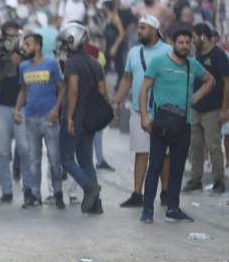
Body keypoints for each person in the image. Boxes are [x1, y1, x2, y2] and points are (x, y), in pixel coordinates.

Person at [138, 27, 214, 223]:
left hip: (183, 125)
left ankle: (173, 207)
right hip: (160, 124)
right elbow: (144, 89)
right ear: (173, 43)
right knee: (154, 167)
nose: (185, 46)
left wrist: (195, 97)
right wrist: (144, 117)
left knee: (177, 168)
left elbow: (210, 81)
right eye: (181, 42)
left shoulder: (192, 65)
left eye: (188, 43)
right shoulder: (158, 62)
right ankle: (147, 210)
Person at [110, 14, 172, 207]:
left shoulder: (169, 51)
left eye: (143, 27)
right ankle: (137, 194)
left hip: (163, 111)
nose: (139, 31)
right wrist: (116, 101)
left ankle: (166, 192)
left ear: (155, 30)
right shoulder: (133, 52)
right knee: (141, 152)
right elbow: (127, 79)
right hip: (139, 111)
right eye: (138, 27)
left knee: (164, 154)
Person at [56, 22, 106, 215]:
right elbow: (102, 92)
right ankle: (96, 205)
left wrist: (68, 117)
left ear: (72, 40)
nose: (63, 47)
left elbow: (73, 90)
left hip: (75, 117)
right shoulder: (95, 62)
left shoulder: (72, 63)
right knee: (86, 162)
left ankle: (89, 187)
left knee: (66, 159)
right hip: (90, 119)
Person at [14, 34, 65, 209]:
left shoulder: (51, 64)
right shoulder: (23, 67)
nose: (24, 48)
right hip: (30, 118)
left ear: (37, 46)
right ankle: (35, 195)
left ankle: (58, 193)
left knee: (54, 160)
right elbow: (23, 90)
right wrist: (16, 109)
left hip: (49, 118)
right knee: (33, 160)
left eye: (27, 45)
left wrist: (56, 110)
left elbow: (61, 89)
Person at [0, 22, 34, 204]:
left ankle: (28, 189)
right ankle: (6, 190)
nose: (12, 39)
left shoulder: (27, 54)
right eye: (9, 35)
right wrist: (8, 60)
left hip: (21, 107)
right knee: (1, 152)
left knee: (24, 148)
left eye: (15, 35)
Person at [185, 22, 229, 193]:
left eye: (194, 37)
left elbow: (227, 82)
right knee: (195, 144)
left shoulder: (218, 55)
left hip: (213, 109)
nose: (192, 41)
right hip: (196, 107)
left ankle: (219, 182)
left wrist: (224, 109)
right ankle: (196, 179)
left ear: (203, 36)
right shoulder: (197, 53)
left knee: (213, 146)